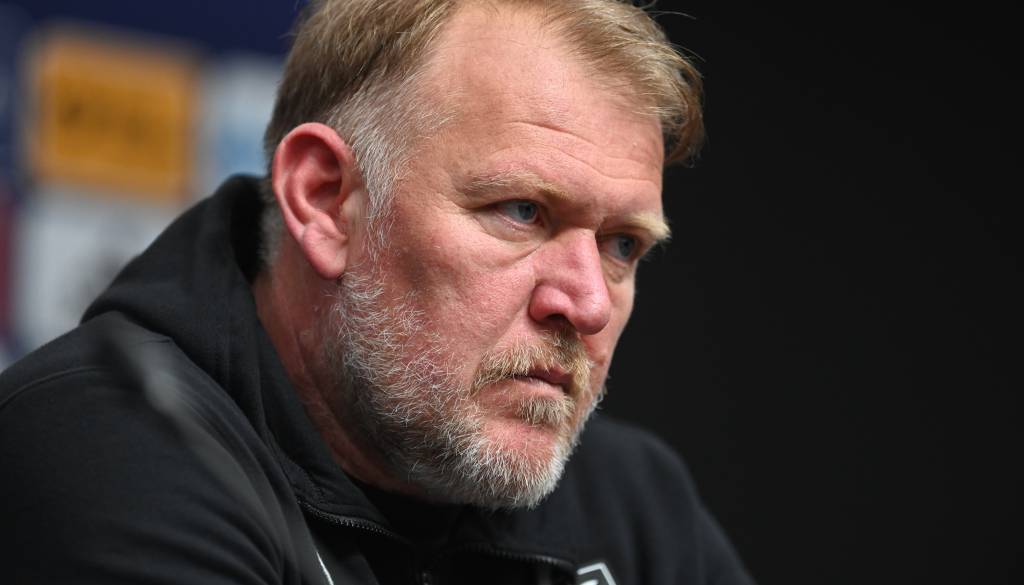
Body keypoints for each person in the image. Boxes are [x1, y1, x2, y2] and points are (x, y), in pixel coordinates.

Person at [0, 1, 755, 583]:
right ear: (327, 202)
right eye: (522, 212)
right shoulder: (106, 451)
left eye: (622, 245)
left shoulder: (634, 503)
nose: (586, 304)